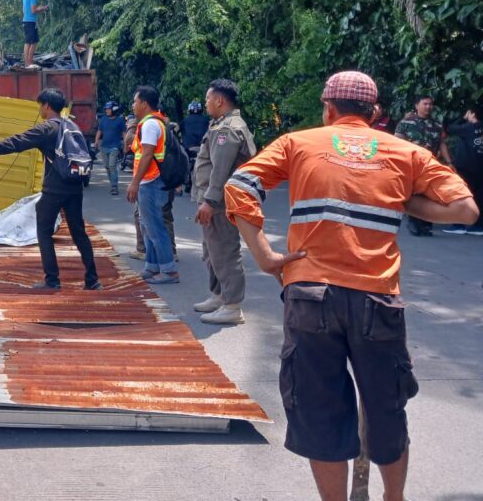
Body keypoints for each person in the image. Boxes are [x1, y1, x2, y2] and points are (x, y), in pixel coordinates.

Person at [224, 70, 477, 501]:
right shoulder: (406, 151)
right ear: (374, 112)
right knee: (386, 411)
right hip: (376, 299)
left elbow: (239, 185)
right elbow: (465, 210)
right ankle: (393, 498)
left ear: (328, 109)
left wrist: (265, 256)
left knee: (321, 415)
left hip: (310, 296)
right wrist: (403, 201)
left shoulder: (297, 143)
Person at [0, 88, 100, 290]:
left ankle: (52, 281)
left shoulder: (47, 128)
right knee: (79, 233)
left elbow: (16, 142)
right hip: (75, 188)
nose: (39, 109)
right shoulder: (71, 125)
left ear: (46, 105)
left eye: (40, 105)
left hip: (54, 190)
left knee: (44, 232)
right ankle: (92, 280)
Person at [191, 79, 256, 325]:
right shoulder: (221, 124)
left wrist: (209, 201)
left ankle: (232, 306)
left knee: (225, 252)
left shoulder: (228, 129)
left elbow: (220, 170)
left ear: (219, 100)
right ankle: (219, 296)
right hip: (214, 200)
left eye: (208, 98)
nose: (206, 102)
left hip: (220, 202)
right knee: (212, 251)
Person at [125, 86, 179, 284]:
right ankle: (152, 266)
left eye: (135, 102)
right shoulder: (153, 122)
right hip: (150, 181)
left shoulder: (150, 124)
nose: (133, 105)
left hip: (151, 182)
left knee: (154, 227)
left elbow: (147, 154)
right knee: (147, 226)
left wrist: (134, 183)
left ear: (144, 104)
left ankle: (169, 271)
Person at [395, 94, 451, 236]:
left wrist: (449, 162)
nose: (428, 107)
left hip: (430, 164)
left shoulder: (437, 125)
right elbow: (397, 143)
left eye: (430, 104)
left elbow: (442, 144)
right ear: (417, 105)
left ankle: (426, 224)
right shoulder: (406, 123)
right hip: (412, 164)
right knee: (415, 194)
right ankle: (414, 223)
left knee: (429, 194)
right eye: (425, 104)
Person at [443, 103, 483, 235]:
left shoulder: (467, 128)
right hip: (480, 167)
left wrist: (463, 118)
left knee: (461, 195)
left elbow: (450, 128)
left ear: (472, 114)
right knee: (479, 196)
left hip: (465, 167)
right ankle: (477, 226)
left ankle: (458, 225)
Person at [94, 101, 126, 195]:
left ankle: (114, 186)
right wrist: (96, 141)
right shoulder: (103, 119)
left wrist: (125, 145)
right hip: (104, 147)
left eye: (108, 109)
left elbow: (124, 133)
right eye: (106, 109)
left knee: (112, 166)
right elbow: (99, 131)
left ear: (114, 109)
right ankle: (112, 183)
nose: (106, 111)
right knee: (107, 167)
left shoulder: (120, 120)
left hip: (114, 147)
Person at [22, 0, 48, 68]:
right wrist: (42, 8)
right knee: (28, 42)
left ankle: (29, 61)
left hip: (27, 20)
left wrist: (39, 8)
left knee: (34, 41)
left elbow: (26, 10)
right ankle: (27, 63)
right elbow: (33, 10)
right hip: (30, 21)